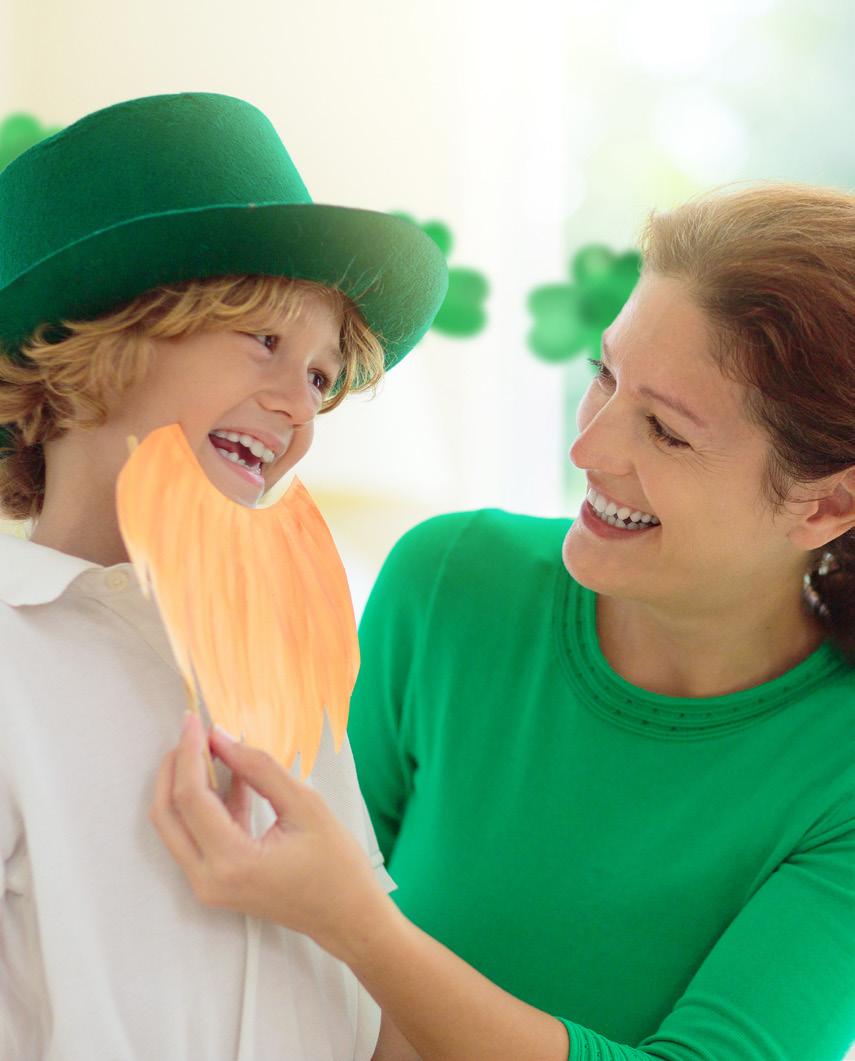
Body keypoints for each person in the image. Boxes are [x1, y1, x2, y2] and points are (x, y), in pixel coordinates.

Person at [152, 182, 855, 1061]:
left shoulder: (836, 770)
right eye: (604, 374)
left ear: (825, 505)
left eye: (665, 431)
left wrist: (358, 923)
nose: (588, 447)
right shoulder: (449, 582)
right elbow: (282, 971)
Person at [0, 91, 446, 1059]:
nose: (300, 406)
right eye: (265, 342)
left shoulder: (283, 670)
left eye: (321, 376)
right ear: (100, 336)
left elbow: (364, 1015)